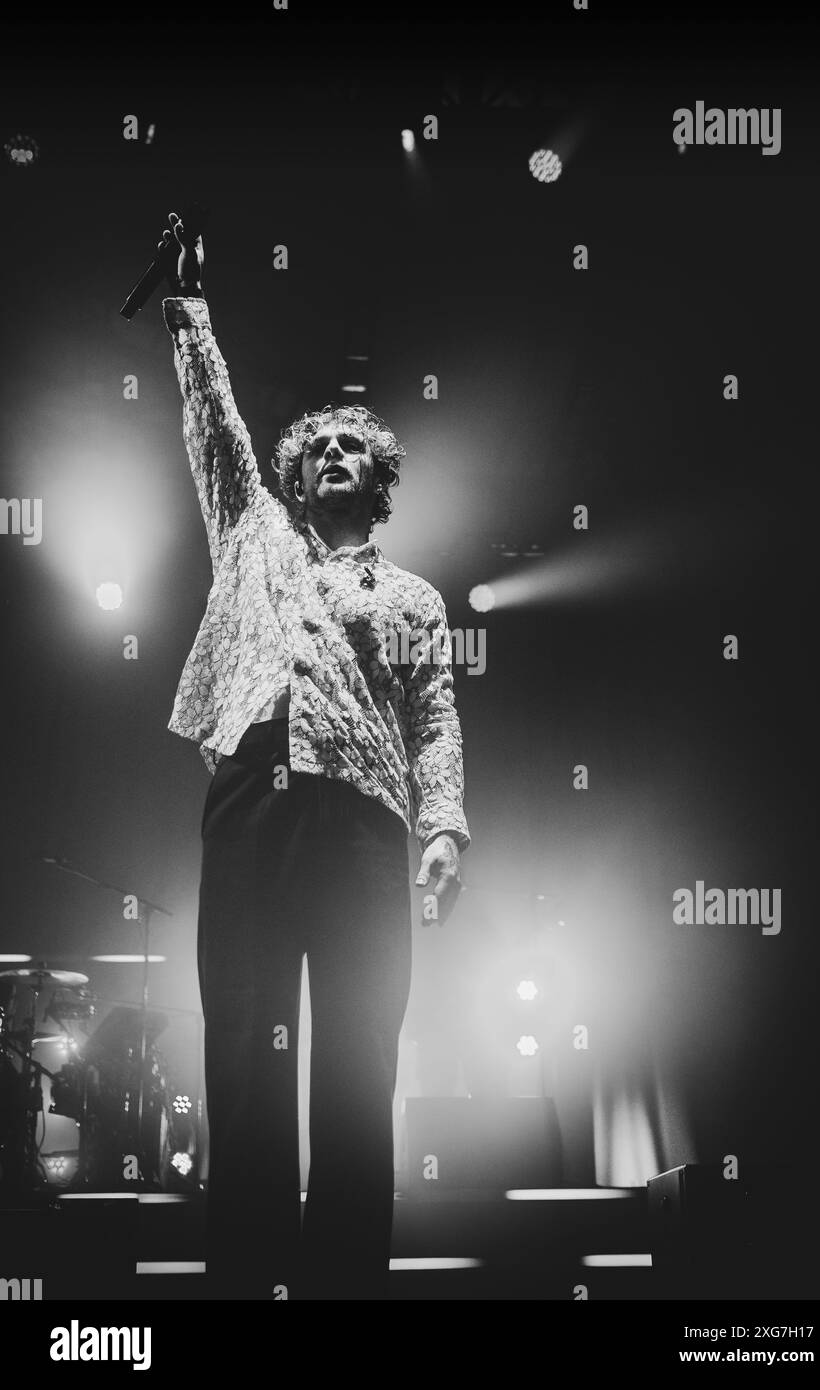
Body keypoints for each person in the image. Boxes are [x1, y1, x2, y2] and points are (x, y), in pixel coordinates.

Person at [158, 211, 470, 1300]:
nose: (334, 456)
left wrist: (441, 826)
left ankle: (345, 1284)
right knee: (244, 1038)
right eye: (319, 448)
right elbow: (212, 425)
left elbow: (435, 718)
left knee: (354, 1060)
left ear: (378, 480)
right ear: (296, 474)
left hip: (362, 818)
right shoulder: (252, 530)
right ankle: (246, 1281)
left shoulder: (417, 600)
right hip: (252, 793)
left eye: (355, 450)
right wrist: (186, 306)